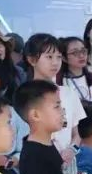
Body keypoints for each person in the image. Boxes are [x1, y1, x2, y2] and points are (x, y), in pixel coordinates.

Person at [24, 34, 84, 164]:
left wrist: (71, 150)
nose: (55, 62)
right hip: (37, 164)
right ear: (32, 60)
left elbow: (76, 134)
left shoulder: (69, 93)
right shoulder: (24, 95)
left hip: (66, 166)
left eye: (58, 57)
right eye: (49, 57)